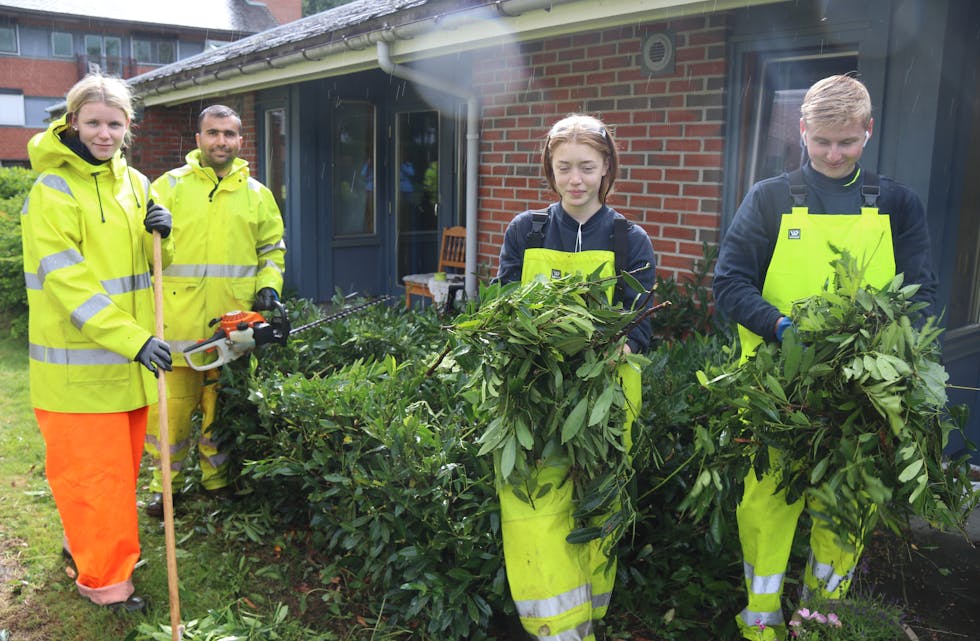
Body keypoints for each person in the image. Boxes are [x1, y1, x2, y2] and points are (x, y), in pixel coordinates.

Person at [712, 75, 938, 641]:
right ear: (802, 131)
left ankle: (819, 620)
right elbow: (730, 283)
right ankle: (761, 621)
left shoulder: (896, 204)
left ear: (868, 130)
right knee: (765, 504)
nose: (834, 155)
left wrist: (885, 346)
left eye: (847, 142)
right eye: (822, 142)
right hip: (776, 392)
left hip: (862, 394)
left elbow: (925, 293)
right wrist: (779, 325)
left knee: (848, 504)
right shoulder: (769, 198)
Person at [495, 114, 656, 641]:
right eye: (564, 168)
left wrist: (608, 355)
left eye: (587, 167)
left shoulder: (630, 240)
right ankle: (553, 626)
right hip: (536, 395)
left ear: (607, 168)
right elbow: (502, 308)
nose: (576, 180)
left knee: (598, 505)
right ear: (550, 169)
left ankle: (591, 616)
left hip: (605, 400)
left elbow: (641, 327)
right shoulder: (527, 231)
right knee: (535, 507)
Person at [21, 73, 175, 612]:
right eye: (93, 123)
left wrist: (162, 235)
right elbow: (70, 285)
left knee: (113, 482)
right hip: (79, 374)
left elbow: (148, 270)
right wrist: (135, 340)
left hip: (126, 367)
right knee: (95, 483)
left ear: (129, 127)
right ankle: (107, 586)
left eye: (114, 123)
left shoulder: (135, 183)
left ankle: (89, 548)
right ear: (71, 122)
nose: (103, 133)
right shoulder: (52, 191)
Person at [143, 104, 286, 518]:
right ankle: (163, 490)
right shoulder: (167, 187)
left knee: (218, 411)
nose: (221, 141)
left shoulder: (258, 195)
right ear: (198, 139)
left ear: (240, 140)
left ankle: (217, 482)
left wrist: (269, 289)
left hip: (232, 326)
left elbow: (272, 251)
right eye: (212, 133)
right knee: (168, 416)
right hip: (175, 325)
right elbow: (143, 248)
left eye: (229, 134)